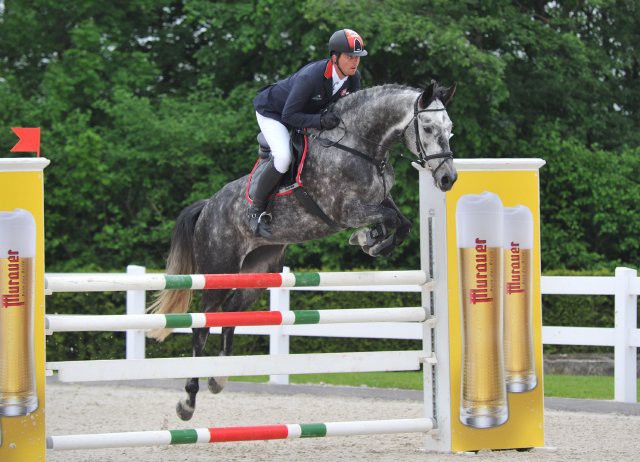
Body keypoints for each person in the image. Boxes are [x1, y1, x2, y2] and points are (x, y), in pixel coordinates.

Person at [248, 28, 367, 237]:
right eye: (350, 57)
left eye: (357, 57)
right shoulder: (310, 77)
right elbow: (289, 115)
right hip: (274, 112)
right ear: (334, 57)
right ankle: (255, 211)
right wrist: (320, 121)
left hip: (304, 114)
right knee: (284, 157)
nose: (355, 62)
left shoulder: (353, 78)